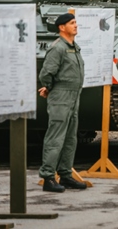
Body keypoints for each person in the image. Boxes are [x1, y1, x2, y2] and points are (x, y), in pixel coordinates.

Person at [38, 13, 87, 192]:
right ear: (62, 27)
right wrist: (50, 88)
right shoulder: (58, 48)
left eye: (75, 22)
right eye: (72, 23)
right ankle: (48, 177)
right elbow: (46, 73)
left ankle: (65, 174)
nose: (75, 25)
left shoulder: (73, 47)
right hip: (61, 97)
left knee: (70, 139)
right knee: (55, 138)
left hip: (74, 96)